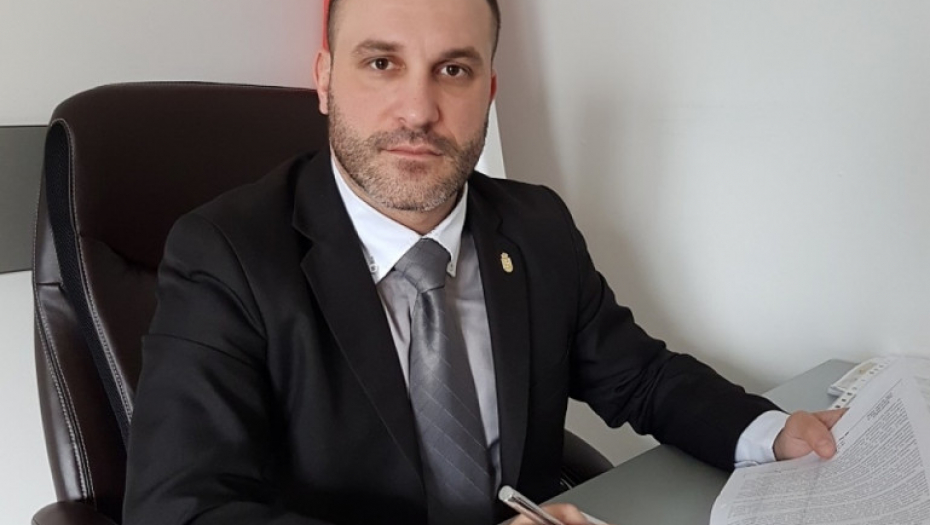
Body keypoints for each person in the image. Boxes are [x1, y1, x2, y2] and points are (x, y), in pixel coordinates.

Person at [123, 0, 844, 523]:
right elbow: (180, 508)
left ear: (488, 91)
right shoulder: (224, 254)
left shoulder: (535, 226)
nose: (418, 110)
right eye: (381, 63)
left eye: (454, 69)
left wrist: (768, 431)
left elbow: (641, 377)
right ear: (326, 79)